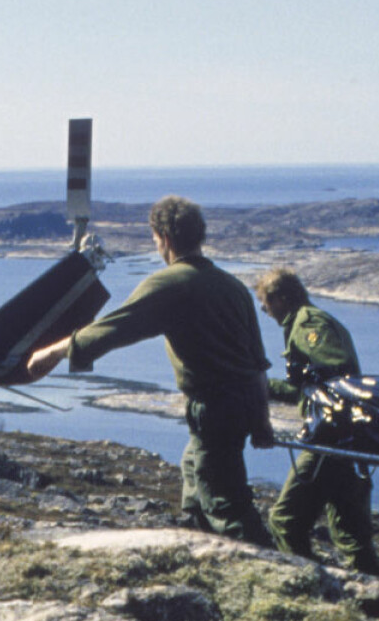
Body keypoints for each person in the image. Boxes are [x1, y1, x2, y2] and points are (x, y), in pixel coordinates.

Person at [20, 196, 273, 545]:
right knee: (194, 474)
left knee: (225, 502)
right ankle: (203, 547)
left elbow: (112, 328)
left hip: (214, 407)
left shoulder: (171, 283)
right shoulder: (233, 287)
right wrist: (261, 421)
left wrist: (51, 353)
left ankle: (270, 564)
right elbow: (258, 365)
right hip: (241, 404)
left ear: (165, 238)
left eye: (155, 239)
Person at [253, 269, 379, 573]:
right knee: (351, 534)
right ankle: (376, 592)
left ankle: (308, 583)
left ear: (280, 299)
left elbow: (338, 372)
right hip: (347, 438)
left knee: (285, 522)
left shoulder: (309, 325)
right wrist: (260, 385)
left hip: (330, 439)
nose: (265, 310)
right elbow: (306, 389)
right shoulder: (305, 322)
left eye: (265, 303)